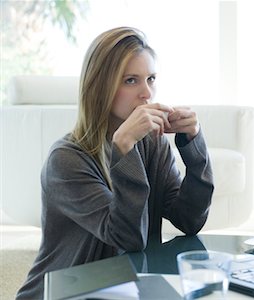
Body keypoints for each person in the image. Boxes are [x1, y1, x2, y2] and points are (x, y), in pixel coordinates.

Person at [16, 27, 214, 299]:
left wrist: (193, 146)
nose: (147, 93)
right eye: (131, 80)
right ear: (100, 87)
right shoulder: (65, 160)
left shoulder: (152, 143)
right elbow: (127, 239)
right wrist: (124, 149)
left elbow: (189, 220)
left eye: (151, 79)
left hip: (126, 288)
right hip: (66, 293)